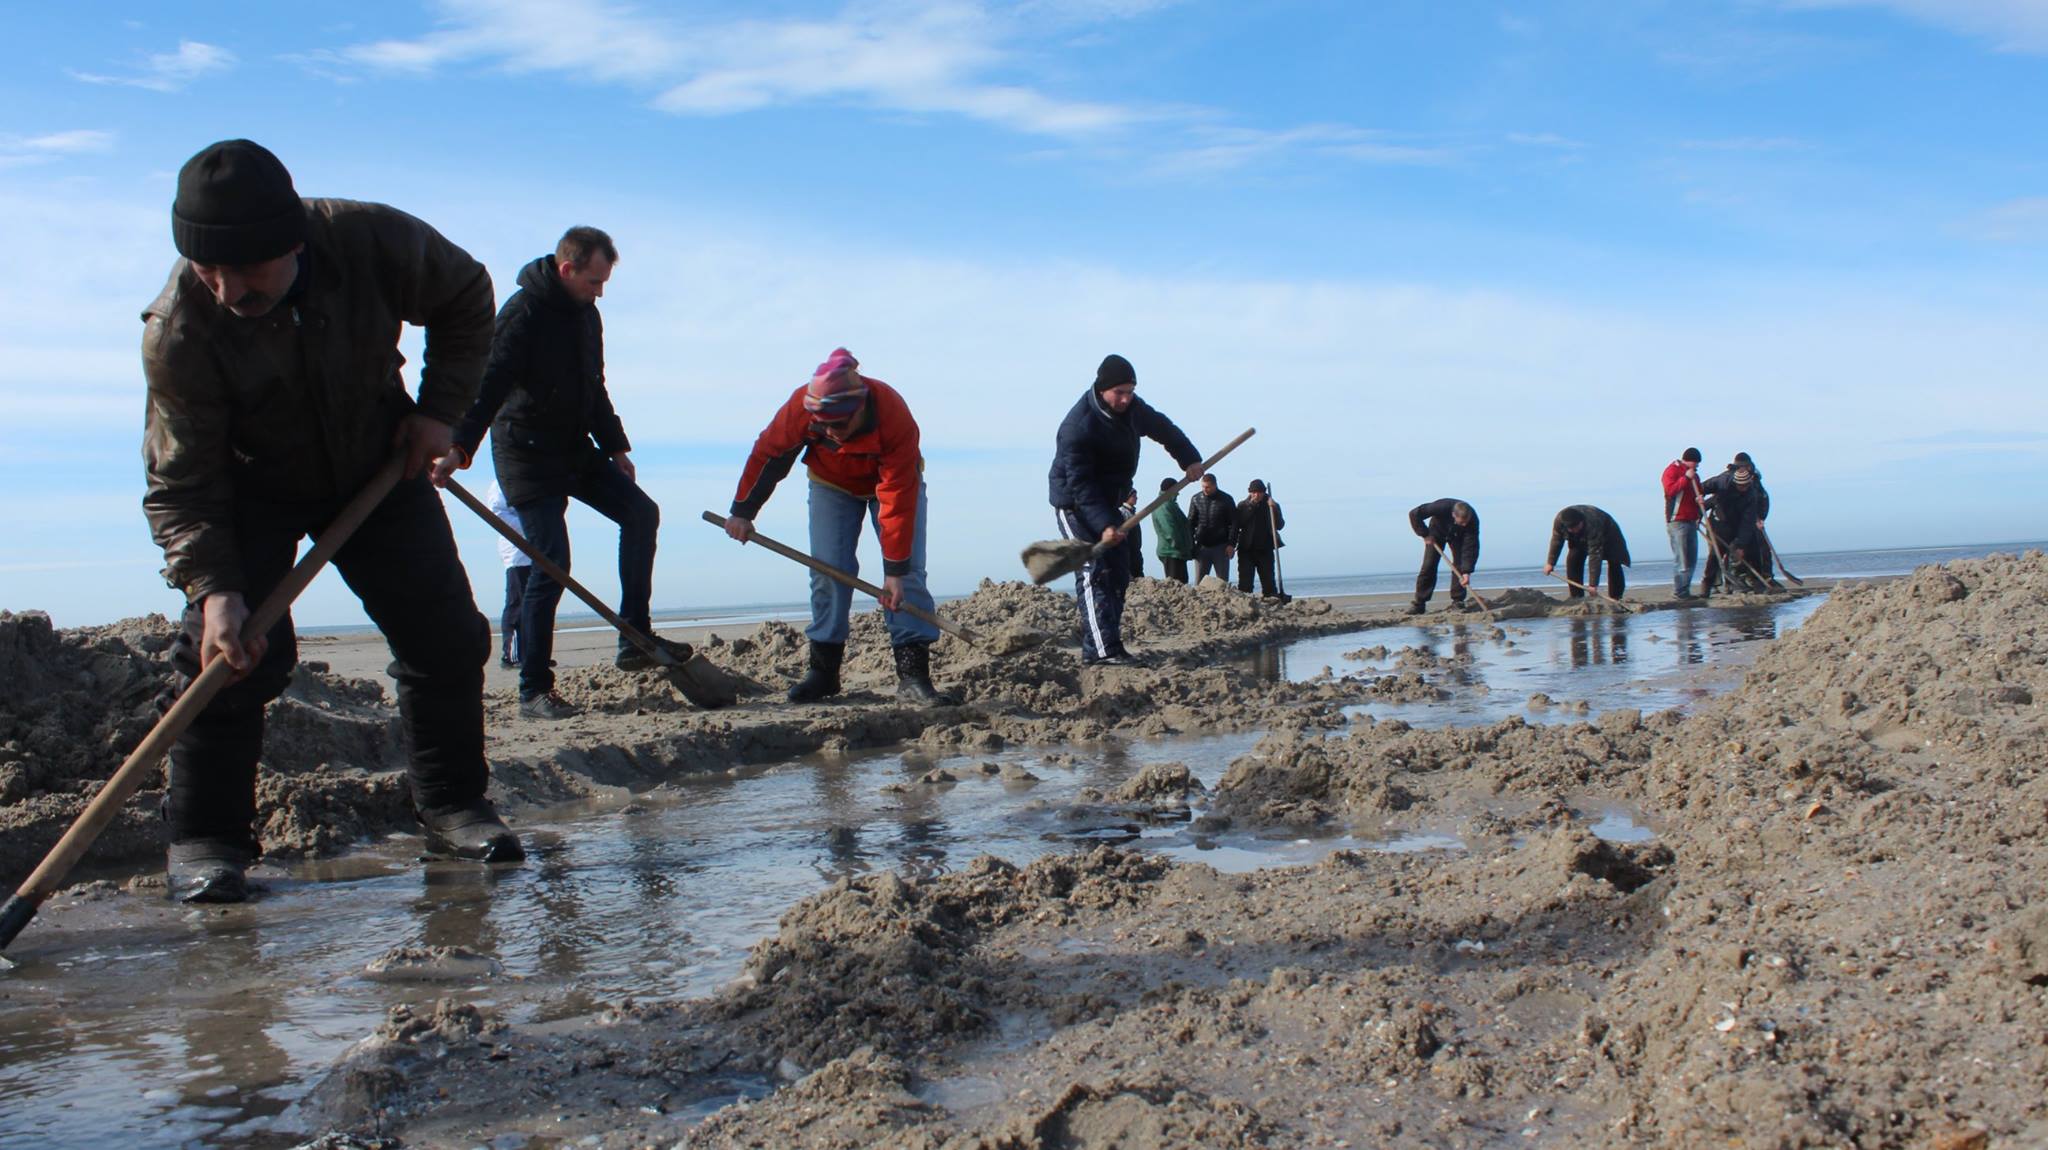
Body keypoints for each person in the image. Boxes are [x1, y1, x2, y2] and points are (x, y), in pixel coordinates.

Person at [142, 138, 521, 902]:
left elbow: (468, 298)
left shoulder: (369, 241)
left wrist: (439, 414)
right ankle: (208, 840)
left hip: (376, 464)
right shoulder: (180, 329)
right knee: (233, 653)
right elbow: (181, 482)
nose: (227, 290)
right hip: (249, 486)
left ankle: (452, 807)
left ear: (292, 241)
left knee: (444, 634)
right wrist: (216, 587)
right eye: (209, 272)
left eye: (246, 268)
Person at [437, 226, 687, 721]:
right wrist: (458, 447)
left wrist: (615, 446)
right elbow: (486, 388)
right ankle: (533, 688)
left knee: (642, 514)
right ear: (567, 268)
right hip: (525, 455)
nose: (601, 292)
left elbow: (594, 387)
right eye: (595, 281)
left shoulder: (586, 316)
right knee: (551, 562)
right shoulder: (521, 314)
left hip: (574, 448)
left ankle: (633, 636)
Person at [724, 348, 956, 704]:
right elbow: (769, 455)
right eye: (824, 426)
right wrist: (743, 510)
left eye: (839, 424)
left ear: (859, 406)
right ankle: (824, 673)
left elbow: (896, 496)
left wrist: (893, 570)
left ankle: (912, 676)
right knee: (829, 570)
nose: (832, 432)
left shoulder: (892, 413)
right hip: (831, 485)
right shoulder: (803, 406)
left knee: (907, 577)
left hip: (891, 486)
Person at [1047, 354, 1204, 665]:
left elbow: (1165, 429)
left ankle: (1108, 646)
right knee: (1094, 570)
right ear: (1102, 388)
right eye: (1119, 392)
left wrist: (1189, 459)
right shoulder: (1078, 427)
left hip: (1109, 499)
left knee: (1119, 571)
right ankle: (1101, 653)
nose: (1125, 399)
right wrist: (1105, 523)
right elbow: (1081, 485)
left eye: (1130, 391)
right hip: (1074, 502)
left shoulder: (1134, 409)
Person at [1698, 464, 1766, 594]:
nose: (1743, 488)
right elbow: (1702, 487)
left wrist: (1740, 544)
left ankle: (1757, 582)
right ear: (1735, 482)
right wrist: (1699, 497)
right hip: (1721, 521)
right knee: (1716, 554)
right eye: (1741, 486)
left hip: (1739, 521)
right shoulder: (1722, 481)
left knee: (1753, 548)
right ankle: (1707, 584)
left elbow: (1748, 522)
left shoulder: (1751, 494)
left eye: (1746, 486)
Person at [484, 480, 531, 668]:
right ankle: (511, 655)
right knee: (517, 603)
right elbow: (497, 513)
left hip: (536, 549)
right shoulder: (501, 483)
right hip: (517, 553)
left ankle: (531, 652)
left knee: (535, 604)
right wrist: (528, 525)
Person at [1544, 505, 1631, 600]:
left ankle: (1616, 597)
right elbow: (1557, 540)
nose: (1573, 530)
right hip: (1579, 539)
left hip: (1609, 533)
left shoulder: (1593, 522)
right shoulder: (1560, 521)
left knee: (1614, 561)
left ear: (1581, 522)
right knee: (1573, 558)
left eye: (1575, 527)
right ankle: (1576, 596)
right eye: (1570, 528)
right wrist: (1550, 563)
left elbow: (1595, 555)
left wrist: (1593, 585)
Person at [1408, 499, 1480, 613]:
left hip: (1458, 536)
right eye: (1462, 522)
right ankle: (1419, 603)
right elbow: (1414, 514)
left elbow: (1470, 547)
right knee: (1429, 565)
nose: (1464, 524)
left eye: (1466, 522)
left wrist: (1466, 572)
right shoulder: (1441, 506)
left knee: (1459, 565)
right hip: (1436, 532)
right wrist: (1425, 534)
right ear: (1453, 515)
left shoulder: (1472, 521)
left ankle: (1458, 601)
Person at [1661, 447, 1704, 599]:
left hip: (1691, 520)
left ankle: (1685, 591)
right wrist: (1685, 478)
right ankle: (1678, 592)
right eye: (1695, 463)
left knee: (1692, 558)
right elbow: (1670, 491)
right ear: (1688, 460)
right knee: (1682, 558)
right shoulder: (1671, 470)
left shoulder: (1695, 476)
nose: (1697, 466)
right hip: (1677, 520)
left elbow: (1697, 493)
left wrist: (1699, 504)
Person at [1233, 479, 1287, 599]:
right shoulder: (1243, 505)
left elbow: (1280, 525)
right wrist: (1251, 506)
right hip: (1246, 549)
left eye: (1260, 492)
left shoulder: (1272, 504)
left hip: (1265, 549)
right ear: (1250, 492)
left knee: (1269, 583)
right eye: (1254, 492)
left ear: (1264, 492)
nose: (1257, 495)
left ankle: (1272, 604)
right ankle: (1245, 606)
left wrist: (1274, 509)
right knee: (1245, 584)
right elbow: (1239, 523)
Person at [1187, 472, 1237, 583]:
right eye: (1203, 487)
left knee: (1222, 582)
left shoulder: (1227, 499)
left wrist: (1231, 544)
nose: (1205, 489)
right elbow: (1190, 523)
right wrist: (1191, 545)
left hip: (1221, 546)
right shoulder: (1196, 499)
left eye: (1208, 487)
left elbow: (1234, 523)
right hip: (1201, 546)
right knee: (1199, 583)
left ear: (1215, 485)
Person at [1149, 477, 1195, 585]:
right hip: (1171, 551)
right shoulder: (1163, 505)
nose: (1178, 493)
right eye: (1177, 490)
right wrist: (1181, 546)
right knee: (1176, 584)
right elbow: (1169, 530)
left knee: (1181, 583)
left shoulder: (1169, 504)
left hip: (1176, 552)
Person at [1120, 487, 1145, 579]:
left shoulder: (1131, 512)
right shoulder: (1124, 513)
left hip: (1135, 550)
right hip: (1130, 551)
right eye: (1134, 496)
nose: (1136, 498)